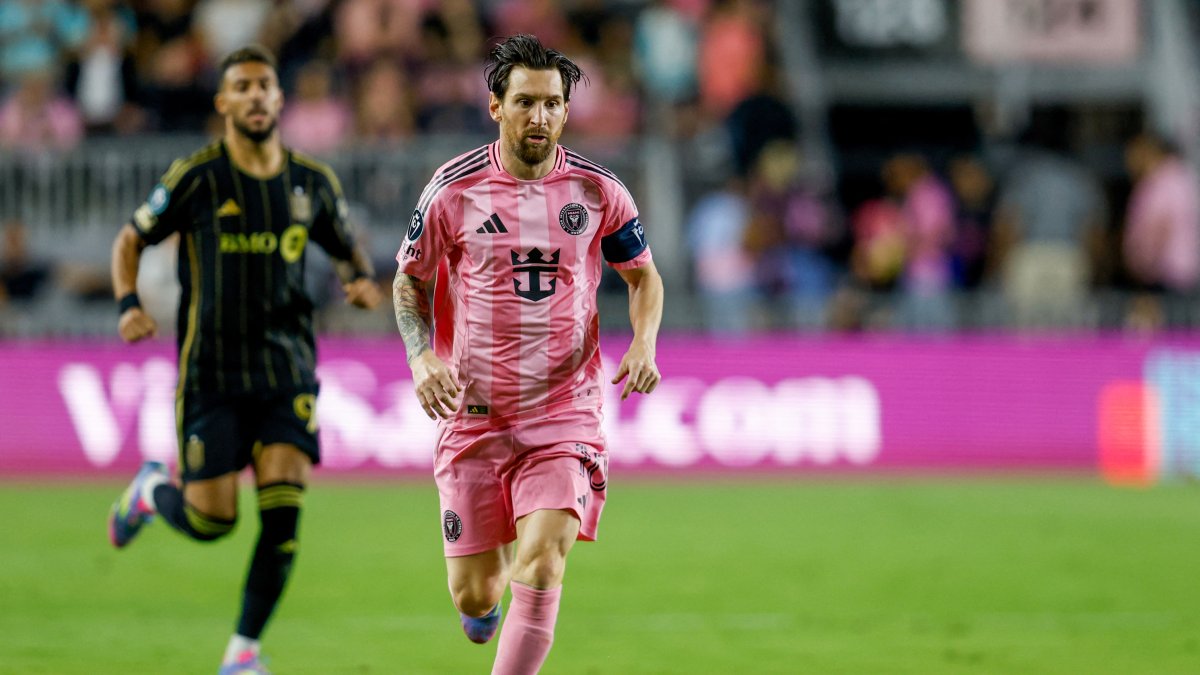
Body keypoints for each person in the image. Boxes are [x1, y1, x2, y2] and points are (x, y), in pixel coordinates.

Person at [106, 45, 382, 675]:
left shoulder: (312, 182)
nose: (256, 96)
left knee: (284, 513)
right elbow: (130, 236)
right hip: (213, 375)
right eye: (242, 86)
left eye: (265, 85)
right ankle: (153, 489)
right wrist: (127, 303)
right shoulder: (196, 177)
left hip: (286, 370)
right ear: (223, 102)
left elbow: (346, 249)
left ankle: (242, 653)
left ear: (280, 100)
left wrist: (360, 280)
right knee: (213, 520)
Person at [393, 34, 663, 674]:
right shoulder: (453, 190)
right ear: (496, 105)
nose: (538, 116)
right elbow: (410, 279)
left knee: (545, 559)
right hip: (475, 413)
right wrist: (420, 355)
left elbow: (643, 276)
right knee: (477, 596)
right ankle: (490, 589)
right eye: (524, 102)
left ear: (566, 111)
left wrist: (645, 339)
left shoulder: (599, 192)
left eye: (551, 104)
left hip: (565, 411)